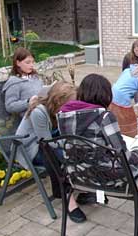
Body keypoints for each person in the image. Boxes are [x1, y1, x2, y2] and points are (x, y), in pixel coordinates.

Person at [57, 74, 138, 206]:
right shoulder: (104, 116)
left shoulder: (63, 115)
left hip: (78, 177)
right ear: (105, 95)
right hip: (106, 179)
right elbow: (125, 156)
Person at [14, 82, 85, 222]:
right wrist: (67, 143)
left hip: (49, 143)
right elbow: (47, 143)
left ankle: (84, 187)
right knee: (55, 153)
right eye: (70, 103)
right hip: (30, 150)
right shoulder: (38, 112)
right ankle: (67, 197)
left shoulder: (57, 109)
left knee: (76, 147)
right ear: (58, 100)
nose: (72, 107)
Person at [2, 47, 43, 117]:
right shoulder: (14, 82)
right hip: (30, 117)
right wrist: (28, 102)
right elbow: (9, 106)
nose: (31, 65)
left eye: (33, 62)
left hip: (43, 111)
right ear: (18, 63)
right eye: (28, 62)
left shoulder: (35, 78)